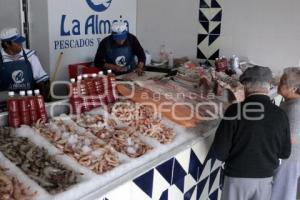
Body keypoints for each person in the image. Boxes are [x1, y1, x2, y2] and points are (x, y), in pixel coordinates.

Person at [211, 66, 291, 200]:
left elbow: (219, 152)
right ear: (268, 87)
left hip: (237, 179)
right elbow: (285, 153)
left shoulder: (234, 111)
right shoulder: (280, 115)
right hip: (265, 180)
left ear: (246, 87)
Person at [271, 67, 300, 200]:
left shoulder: (295, 108)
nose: (279, 84)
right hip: (284, 157)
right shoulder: (288, 102)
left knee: (282, 193)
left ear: (293, 88)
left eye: (283, 82)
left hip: (289, 159)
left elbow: (292, 138)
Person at [0, 27, 50, 99]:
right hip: (6, 102)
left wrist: (43, 100)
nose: (20, 44)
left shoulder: (30, 56)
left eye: (20, 41)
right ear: (7, 44)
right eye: (17, 42)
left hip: (29, 100)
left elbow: (42, 81)